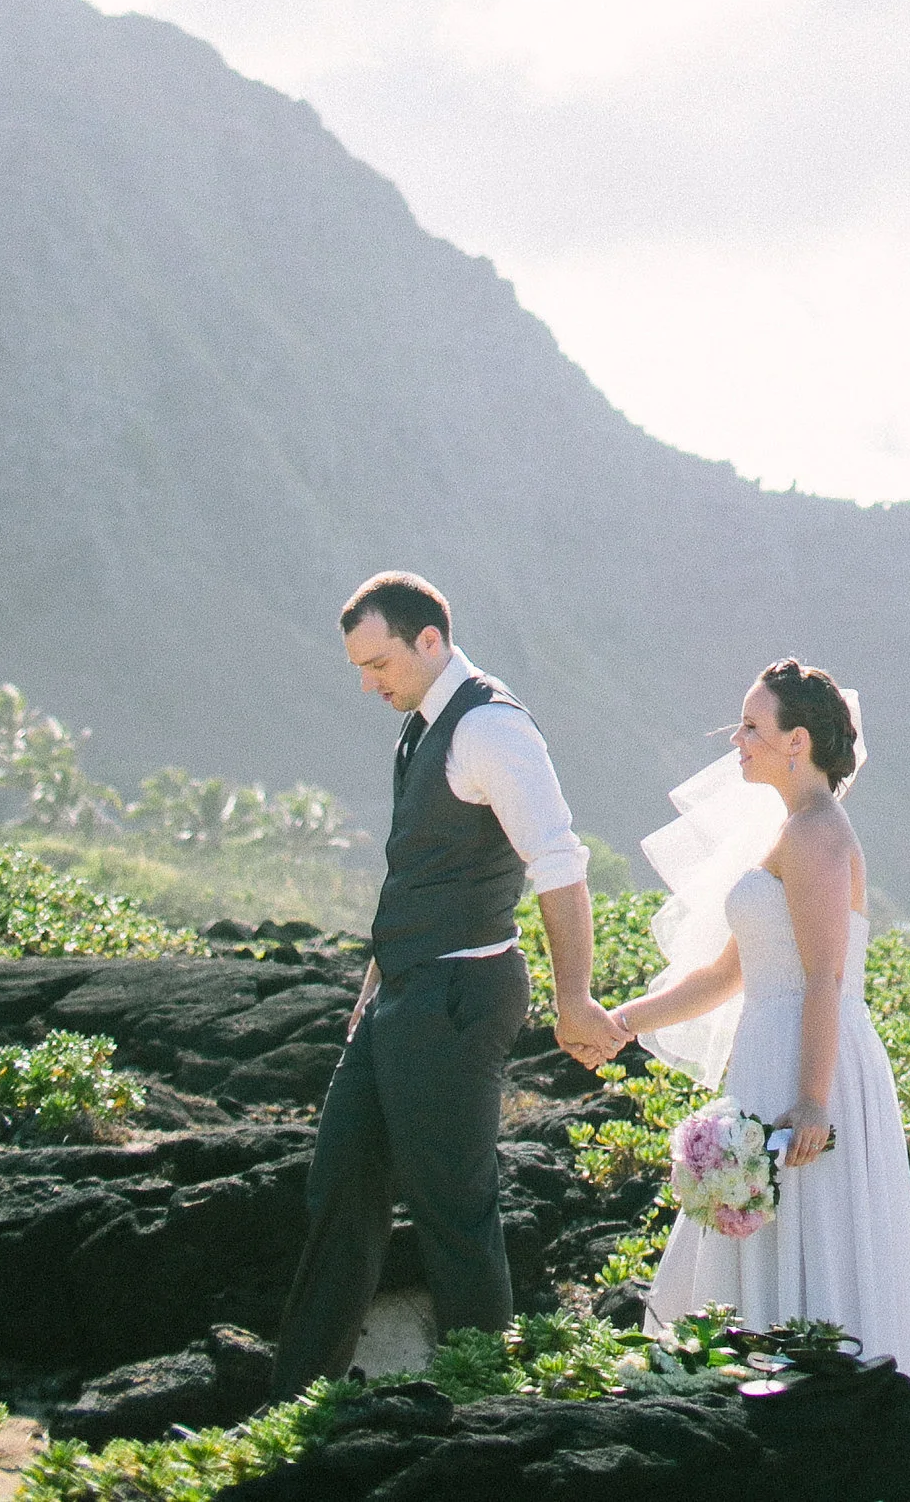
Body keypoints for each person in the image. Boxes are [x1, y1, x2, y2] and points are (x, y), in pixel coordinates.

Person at [270, 572, 624, 1398]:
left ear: (431, 639)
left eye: (379, 661)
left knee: (453, 1211)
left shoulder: (493, 727)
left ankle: (488, 1409)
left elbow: (560, 864)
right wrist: (373, 984)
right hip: (400, 994)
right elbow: (420, 876)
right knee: (340, 1185)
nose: (369, 682)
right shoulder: (420, 724)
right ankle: (299, 1402)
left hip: (462, 998)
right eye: (359, 666)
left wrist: (576, 998)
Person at [610, 659, 910, 1424]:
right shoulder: (787, 832)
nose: (736, 740)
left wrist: (812, 1100)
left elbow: (828, 979)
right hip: (769, 1057)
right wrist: (622, 1022)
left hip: (811, 1064)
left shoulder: (820, 835)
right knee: (756, 1242)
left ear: (797, 741)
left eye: (751, 727)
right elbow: (727, 973)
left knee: (815, 1240)